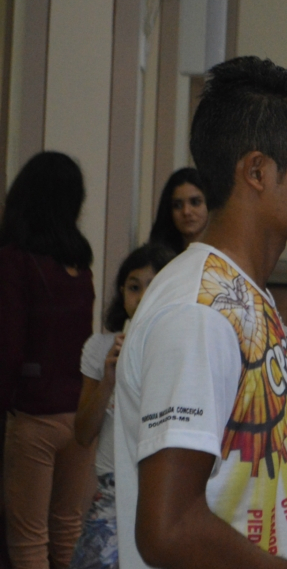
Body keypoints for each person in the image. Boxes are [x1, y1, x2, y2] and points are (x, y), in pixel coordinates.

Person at [112, 57, 287, 569]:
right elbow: (167, 530)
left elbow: (251, 497)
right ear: (257, 171)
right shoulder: (198, 312)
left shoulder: (244, 296)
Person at [0, 152, 96, 569]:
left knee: (27, 541)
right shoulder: (79, 265)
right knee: (68, 530)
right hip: (80, 414)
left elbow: (9, 347)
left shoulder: (15, 261)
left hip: (34, 415)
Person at [70, 244, 175, 569]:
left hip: (161, 491)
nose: (142, 297)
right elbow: (83, 433)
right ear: (122, 292)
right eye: (134, 287)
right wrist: (109, 377)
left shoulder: (179, 347)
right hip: (110, 494)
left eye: (153, 287)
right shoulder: (100, 347)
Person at [148, 168, 209, 254]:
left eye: (195, 202)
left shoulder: (225, 258)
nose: (186, 212)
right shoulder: (157, 260)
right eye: (178, 205)